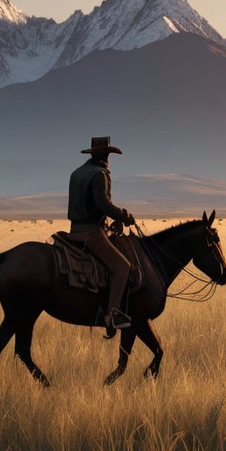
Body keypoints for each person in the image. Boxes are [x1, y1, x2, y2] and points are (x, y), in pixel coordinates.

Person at [68, 136, 137, 329]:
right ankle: (112, 314)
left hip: (74, 229)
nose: (108, 159)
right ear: (104, 155)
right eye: (107, 155)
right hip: (91, 232)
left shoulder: (77, 173)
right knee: (122, 266)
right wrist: (124, 215)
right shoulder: (99, 173)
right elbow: (103, 204)